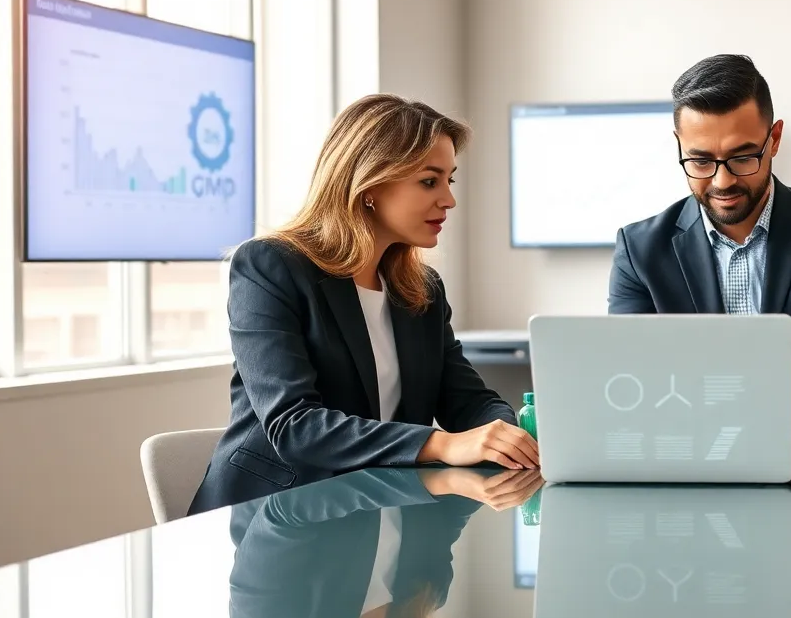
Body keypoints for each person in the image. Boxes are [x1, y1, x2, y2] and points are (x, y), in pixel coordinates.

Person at [189, 94, 539, 515]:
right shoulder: (269, 265)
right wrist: (444, 443)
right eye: (430, 181)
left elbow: (465, 397)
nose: (449, 200)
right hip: (277, 518)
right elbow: (294, 426)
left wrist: (504, 433)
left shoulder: (422, 289)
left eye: (450, 180)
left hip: (379, 508)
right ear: (370, 185)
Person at [608, 54, 791, 334]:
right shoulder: (639, 253)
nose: (722, 182)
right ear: (679, 146)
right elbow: (629, 377)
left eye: (742, 158)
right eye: (700, 161)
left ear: (774, 139)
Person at [227, 466, 544, 618]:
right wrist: (505, 479)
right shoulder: (427, 591)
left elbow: (288, 508)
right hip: (388, 408)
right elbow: (452, 503)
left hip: (298, 413)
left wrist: (434, 480)